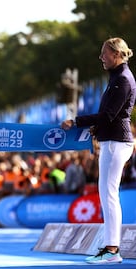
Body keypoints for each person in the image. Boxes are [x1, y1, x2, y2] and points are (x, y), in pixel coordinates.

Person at [61, 37, 136, 264]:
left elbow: (109, 115)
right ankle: (110, 248)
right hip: (112, 141)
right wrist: (94, 126)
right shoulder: (117, 77)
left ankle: (112, 250)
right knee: (107, 195)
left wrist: (76, 121)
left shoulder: (122, 79)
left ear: (116, 54)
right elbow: (109, 116)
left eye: (104, 53)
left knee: (109, 195)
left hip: (116, 143)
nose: (101, 57)